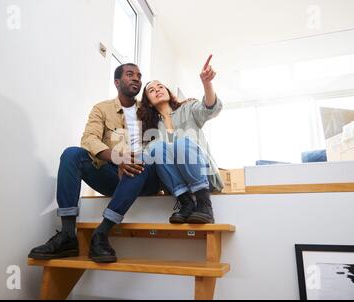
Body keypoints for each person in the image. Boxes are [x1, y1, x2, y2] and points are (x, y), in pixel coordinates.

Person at [28, 63, 160, 263]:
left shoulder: (149, 110)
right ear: (117, 82)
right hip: (114, 175)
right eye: (130, 74)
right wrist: (117, 158)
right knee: (72, 154)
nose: (136, 79)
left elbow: (172, 116)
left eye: (139, 76)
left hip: (145, 177)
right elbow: (89, 138)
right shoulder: (102, 109)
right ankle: (67, 235)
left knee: (140, 162)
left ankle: (101, 233)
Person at [138, 55, 224, 224]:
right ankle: (186, 203)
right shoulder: (150, 129)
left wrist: (207, 83)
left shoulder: (188, 108)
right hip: (177, 185)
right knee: (155, 148)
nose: (157, 90)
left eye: (160, 86)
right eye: (152, 90)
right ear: (148, 102)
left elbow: (210, 109)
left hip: (204, 176)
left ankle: (204, 204)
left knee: (181, 142)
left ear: (168, 92)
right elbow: (148, 157)